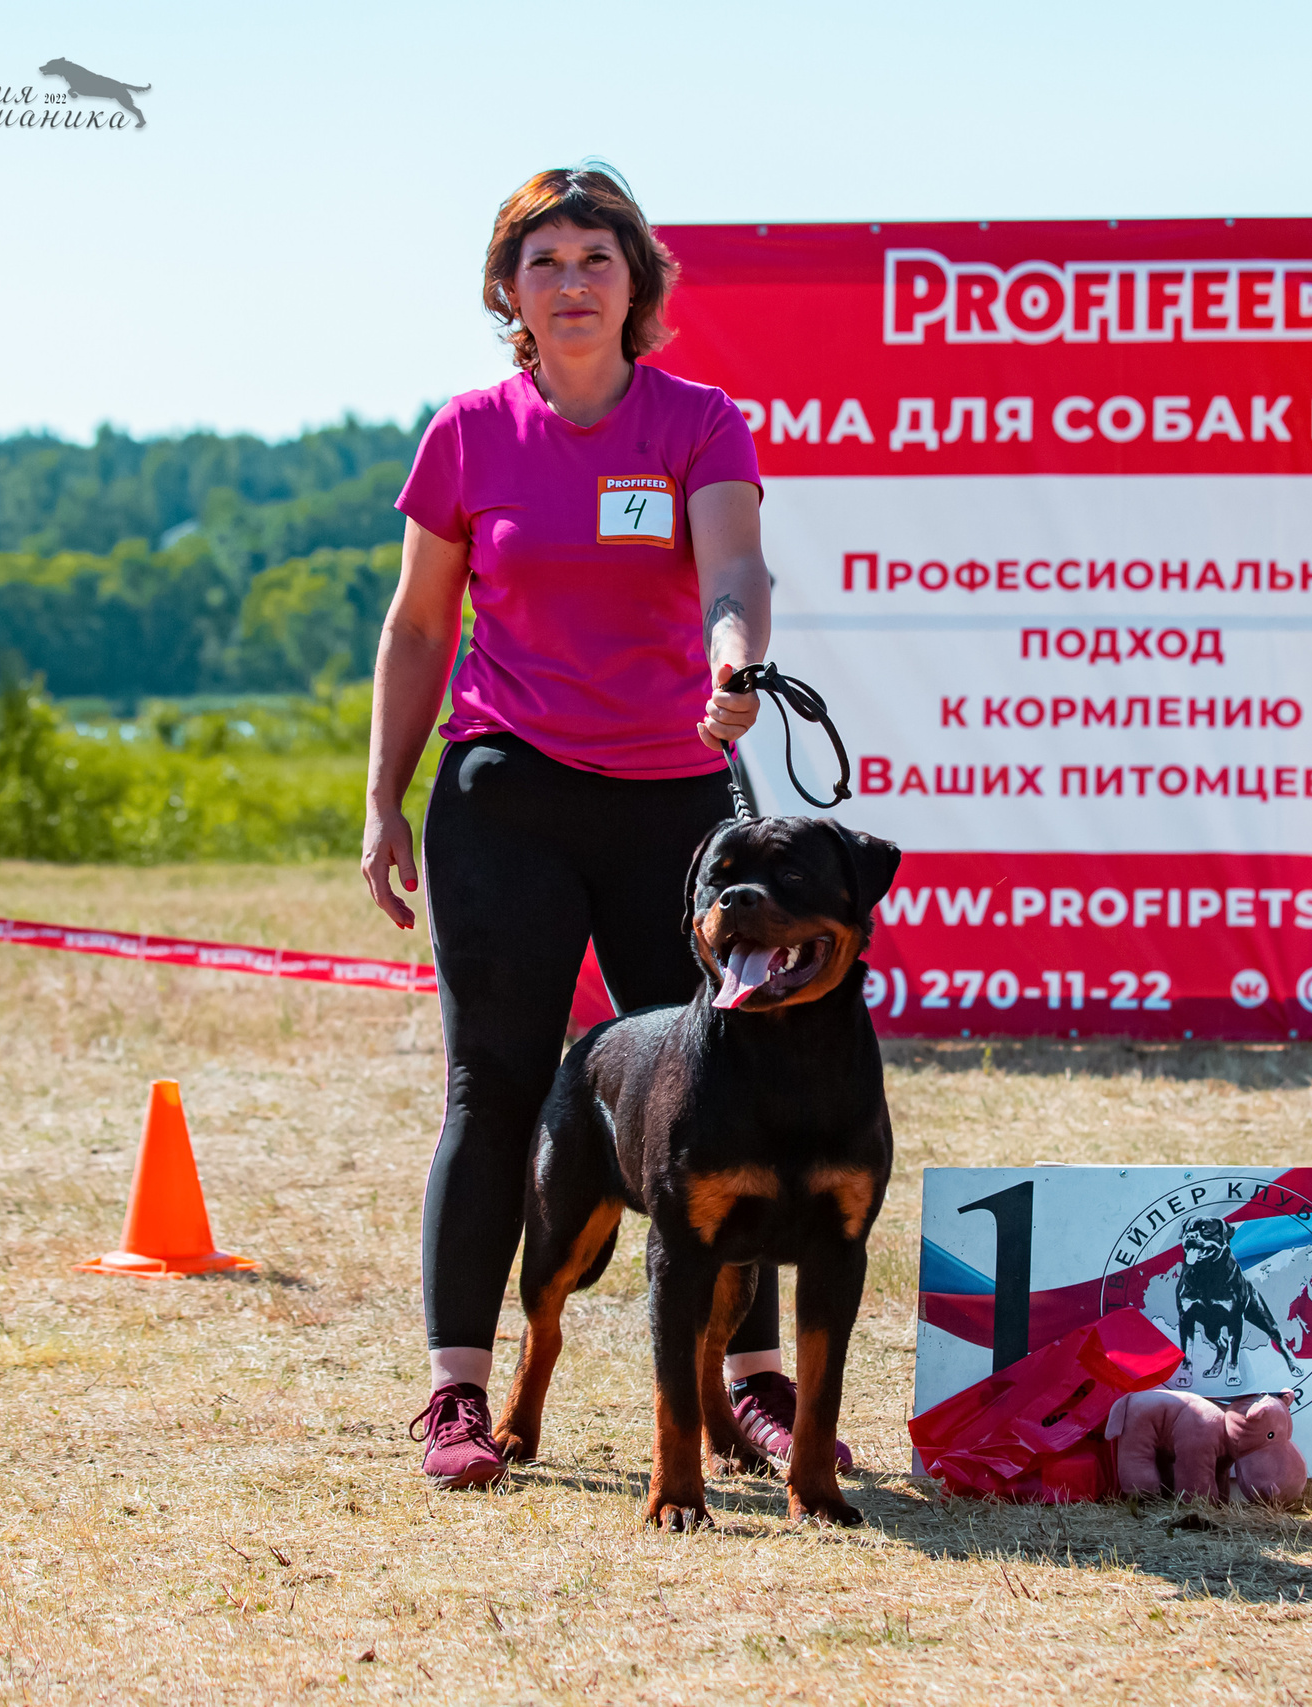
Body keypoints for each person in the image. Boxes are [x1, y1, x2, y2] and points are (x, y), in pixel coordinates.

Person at [363, 165, 849, 1489]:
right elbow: (419, 629)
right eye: (544, 262)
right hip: (502, 795)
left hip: (675, 805)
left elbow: (735, 568)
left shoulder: (697, 420)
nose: (570, 283)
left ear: (637, 282)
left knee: (723, 1084)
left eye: (595, 258)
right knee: (495, 1085)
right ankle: (458, 1394)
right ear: (506, 290)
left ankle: (753, 1389)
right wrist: (383, 800)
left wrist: (734, 665)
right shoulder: (467, 432)